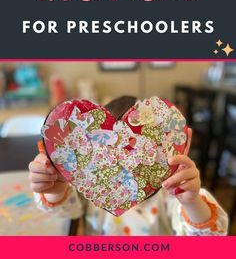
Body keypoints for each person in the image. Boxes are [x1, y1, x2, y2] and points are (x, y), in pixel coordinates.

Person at [29, 96, 228, 235]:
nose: (121, 164)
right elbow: (67, 210)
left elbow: (209, 236)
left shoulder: (169, 191)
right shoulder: (91, 182)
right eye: (108, 154)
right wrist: (56, 188)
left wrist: (190, 200)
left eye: (132, 151)